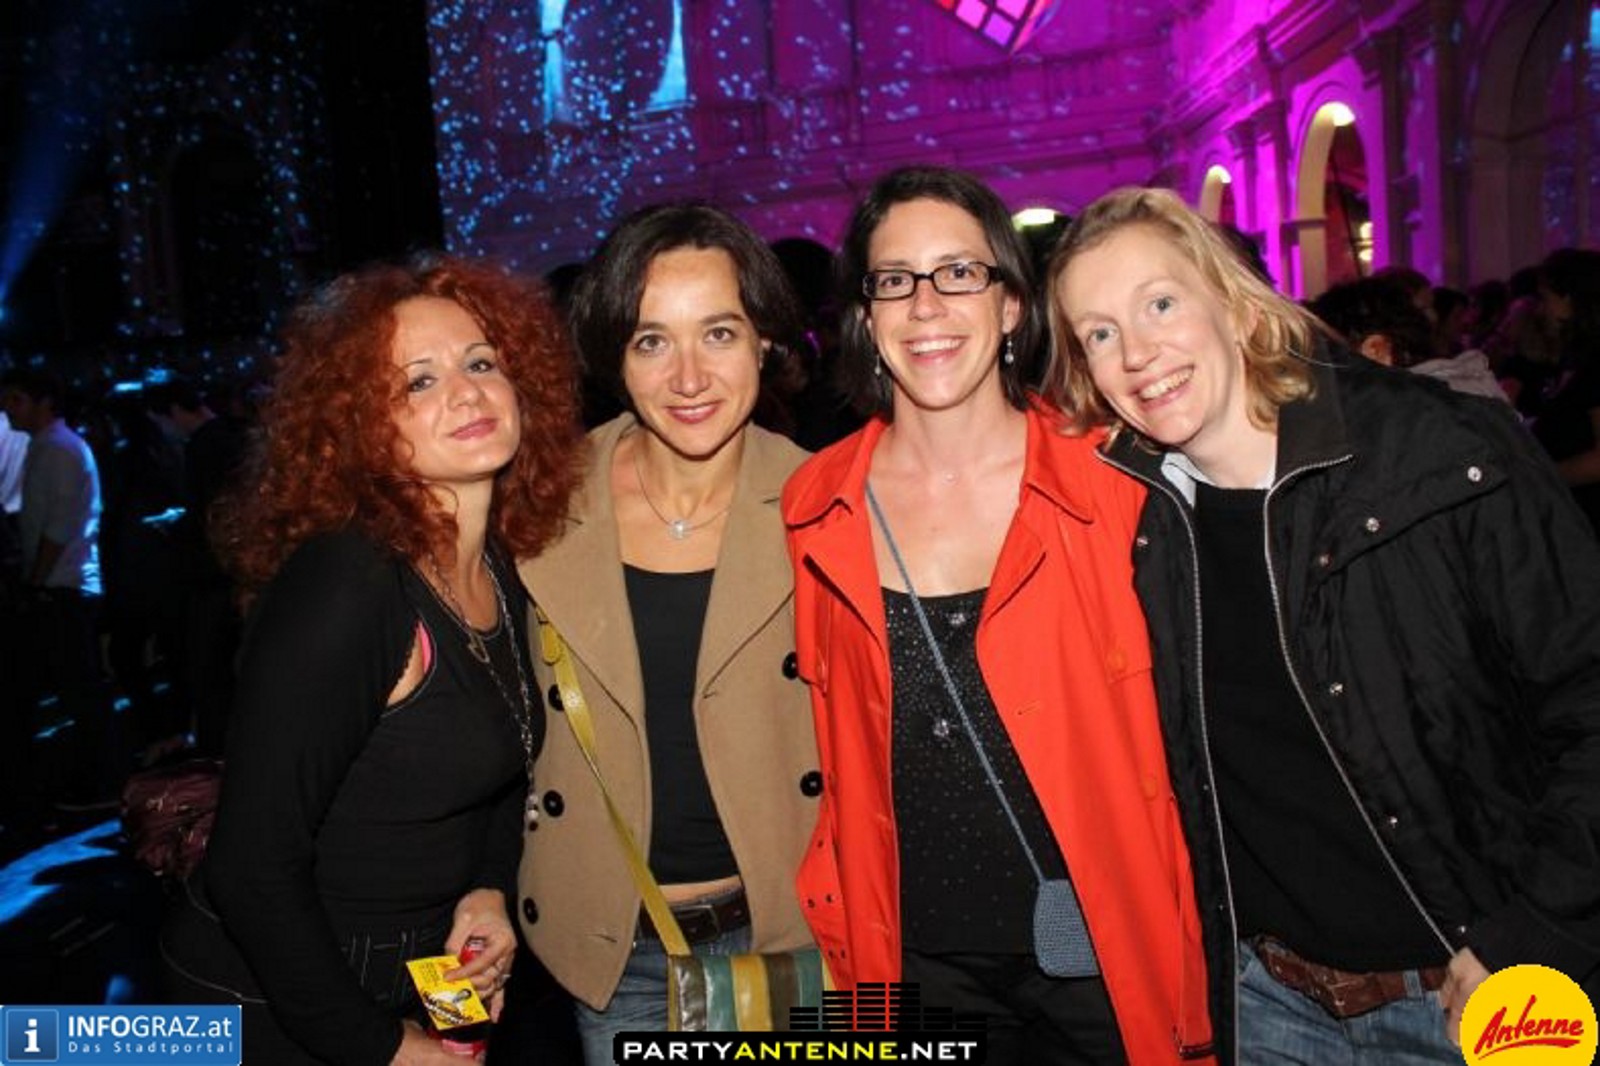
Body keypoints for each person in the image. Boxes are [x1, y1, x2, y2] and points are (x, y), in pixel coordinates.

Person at [1049, 186, 1600, 1065]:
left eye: (1159, 304)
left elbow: (1587, 700)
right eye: (1100, 334)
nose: (1138, 353)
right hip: (1269, 1005)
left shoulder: (1435, 450)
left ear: (1233, 301)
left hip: (1469, 997)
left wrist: (1532, 930)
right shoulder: (1144, 523)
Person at [782, 166, 1213, 1065]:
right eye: (894, 279)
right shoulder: (816, 502)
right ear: (866, 314)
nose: (926, 306)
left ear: (1012, 303)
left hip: (1107, 950)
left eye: (959, 273)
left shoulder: (1116, 478)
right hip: (913, 958)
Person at [159, 254, 583, 1066]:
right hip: (275, 1002)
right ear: (360, 425)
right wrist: (382, 1047)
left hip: (428, 964)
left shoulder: (500, 564)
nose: (466, 393)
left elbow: (500, 771)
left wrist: (489, 892)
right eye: (417, 382)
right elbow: (251, 866)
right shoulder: (349, 584)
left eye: (481, 363)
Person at [514, 203, 821, 1063]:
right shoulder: (540, 502)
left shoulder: (828, 503)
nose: (689, 377)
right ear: (614, 355)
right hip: (620, 952)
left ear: (764, 341)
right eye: (652, 341)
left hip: (799, 935)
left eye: (718, 333)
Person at [0, 366, 116, 808]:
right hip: (59, 586)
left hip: (62, 588)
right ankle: (88, 779)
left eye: (16, 399)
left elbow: (60, 528)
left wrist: (35, 582)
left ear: (43, 402)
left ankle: (101, 782)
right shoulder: (50, 447)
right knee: (69, 689)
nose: (7, 409)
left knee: (78, 691)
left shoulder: (60, 450)